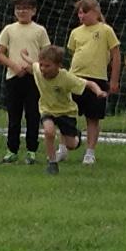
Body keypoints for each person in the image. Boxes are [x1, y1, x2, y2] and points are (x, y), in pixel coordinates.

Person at [0, 0, 51, 163]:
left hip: (34, 78)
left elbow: (47, 54)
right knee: (14, 116)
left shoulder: (40, 30)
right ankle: (12, 150)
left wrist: (33, 66)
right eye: (18, 8)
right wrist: (14, 65)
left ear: (33, 11)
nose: (22, 11)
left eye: (26, 8)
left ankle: (31, 151)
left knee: (33, 115)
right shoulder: (9, 29)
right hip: (13, 77)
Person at [68, 0, 123, 166]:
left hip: (97, 78)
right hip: (76, 78)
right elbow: (74, 53)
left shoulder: (105, 30)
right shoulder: (75, 32)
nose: (81, 15)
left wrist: (114, 80)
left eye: (85, 12)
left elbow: (116, 55)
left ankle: (90, 152)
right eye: (79, 12)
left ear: (96, 12)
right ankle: (64, 147)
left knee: (93, 117)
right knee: (67, 113)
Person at [34, 44, 93, 175]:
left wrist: (99, 91)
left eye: (47, 66)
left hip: (66, 112)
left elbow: (88, 83)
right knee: (49, 132)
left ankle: (76, 138)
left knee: (71, 145)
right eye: (41, 65)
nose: (43, 69)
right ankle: (52, 163)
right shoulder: (38, 70)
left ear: (58, 66)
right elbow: (32, 65)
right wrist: (23, 56)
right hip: (47, 109)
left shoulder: (66, 77)